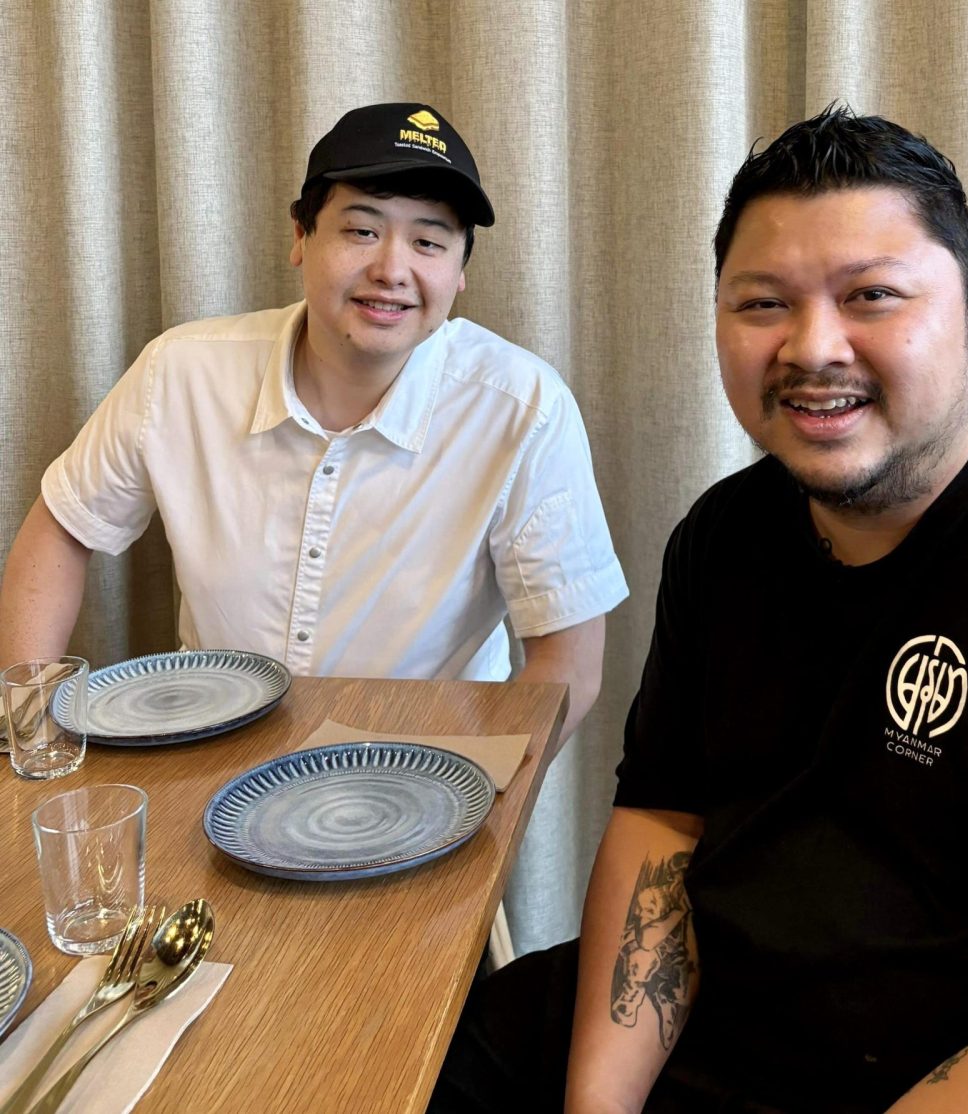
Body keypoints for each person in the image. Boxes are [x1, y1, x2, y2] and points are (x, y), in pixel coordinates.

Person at [429, 106, 968, 1112]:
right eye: (762, 304)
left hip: (947, 1070)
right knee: (392, 1058)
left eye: (871, 295)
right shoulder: (723, 534)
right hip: (722, 1013)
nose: (812, 347)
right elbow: (664, 817)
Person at [0, 103, 628, 743]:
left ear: (460, 268)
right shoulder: (181, 372)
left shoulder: (521, 406)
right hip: (207, 756)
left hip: (424, 779)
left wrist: (475, 802)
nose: (392, 269)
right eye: (361, 231)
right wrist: (28, 737)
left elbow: (568, 663)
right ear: (301, 235)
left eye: (429, 241)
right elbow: (61, 527)